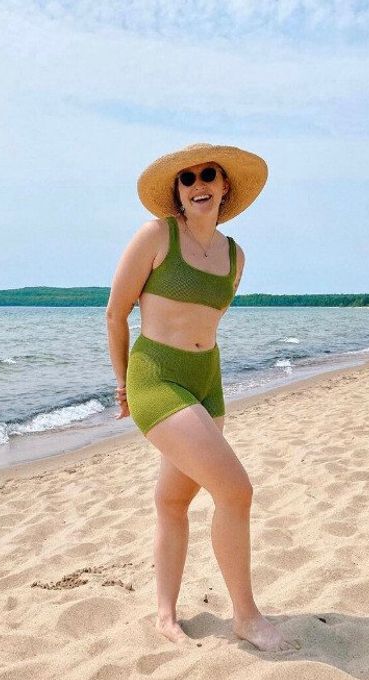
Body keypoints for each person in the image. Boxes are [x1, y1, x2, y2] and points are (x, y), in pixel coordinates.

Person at [106, 143, 293, 652]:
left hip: (207, 380)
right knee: (236, 491)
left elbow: (207, 325)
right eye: (187, 179)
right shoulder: (156, 236)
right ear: (178, 193)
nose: (198, 184)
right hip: (157, 379)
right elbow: (115, 313)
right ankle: (246, 617)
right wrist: (123, 383)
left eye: (208, 174)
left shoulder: (235, 257)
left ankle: (165, 614)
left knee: (173, 500)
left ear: (225, 185)